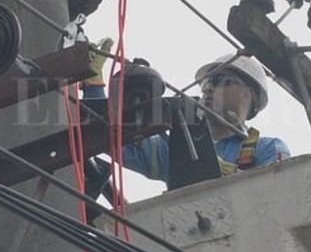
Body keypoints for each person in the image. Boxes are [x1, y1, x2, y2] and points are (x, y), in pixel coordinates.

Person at [85, 53, 290, 185]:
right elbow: (111, 139)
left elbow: (280, 193)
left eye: (218, 81)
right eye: (206, 83)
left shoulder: (268, 149)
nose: (208, 88)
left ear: (249, 94)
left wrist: (231, 174)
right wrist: (94, 86)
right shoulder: (175, 148)